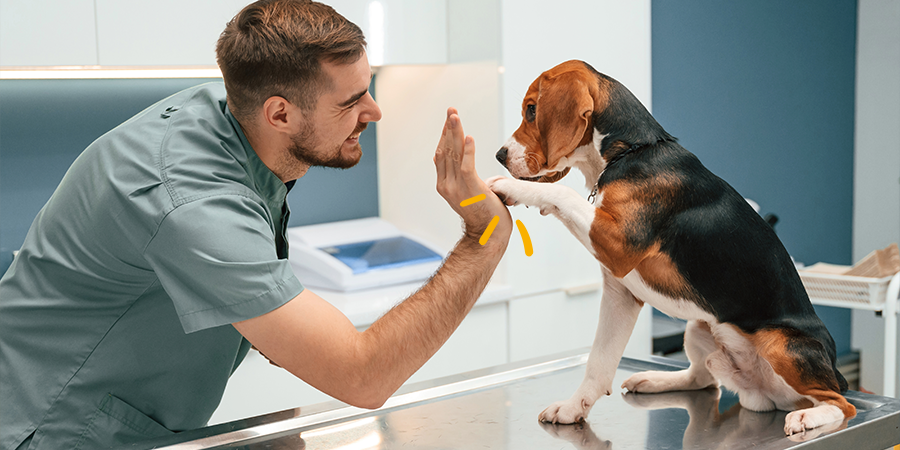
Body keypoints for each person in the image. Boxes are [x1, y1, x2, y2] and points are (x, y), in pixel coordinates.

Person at [0, 1, 512, 448]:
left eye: (368, 89)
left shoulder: (232, 116)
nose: (373, 112)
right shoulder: (192, 200)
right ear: (280, 114)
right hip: (47, 428)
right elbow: (364, 376)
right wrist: (484, 238)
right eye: (352, 101)